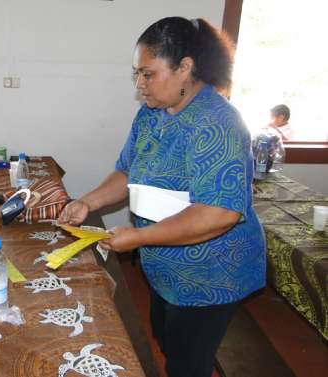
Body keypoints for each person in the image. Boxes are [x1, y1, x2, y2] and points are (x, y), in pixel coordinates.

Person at [59, 17, 265, 377]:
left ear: (184, 68)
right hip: (164, 262)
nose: (140, 85)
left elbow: (218, 213)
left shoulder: (218, 125)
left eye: (148, 74)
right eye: (136, 74)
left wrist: (138, 238)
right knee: (167, 339)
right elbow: (126, 171)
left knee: (188, 363)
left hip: (211, 273)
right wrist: (87, 202)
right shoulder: (151, 115)